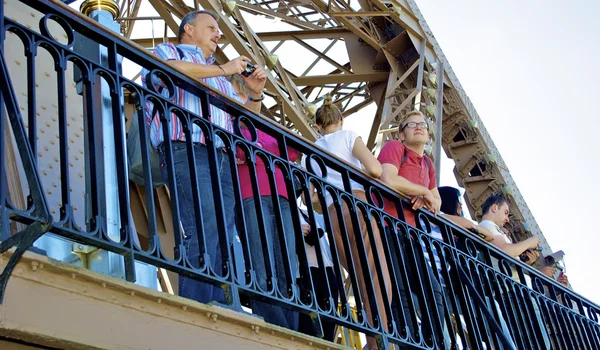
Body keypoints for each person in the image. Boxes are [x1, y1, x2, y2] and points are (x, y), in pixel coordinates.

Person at [141, 10, 267, 305]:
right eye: (211, 27)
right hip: (186, 148)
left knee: (224, 233)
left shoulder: (221, 75)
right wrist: (225, 69)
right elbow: (166, 69)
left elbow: (245, 124)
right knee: (202, 225)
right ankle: (197, 307)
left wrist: (255, 96)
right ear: (188, 29)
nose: (217, 34)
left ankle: (219, 306)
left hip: (220, 158)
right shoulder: (169, 50)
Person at [305, 95, 387, 349]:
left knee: (359, 277)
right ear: (341, 119)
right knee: (376, 274)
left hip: (333, 216)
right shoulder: (349, 136)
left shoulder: (310, 153)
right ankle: (379, 341)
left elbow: (311, 199)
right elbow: (375, 170)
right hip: (357, 205)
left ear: (318, 126)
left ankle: (370, 339)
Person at [235, 123, 300, 330]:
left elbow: (292, 151)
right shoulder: (234, 119)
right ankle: (277, 331)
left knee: (288, 269)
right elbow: (238, 150)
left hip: (281, 196)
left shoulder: (267, 126)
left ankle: (288, 331)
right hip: (251, 194)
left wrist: (257, 148)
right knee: (262, 267)